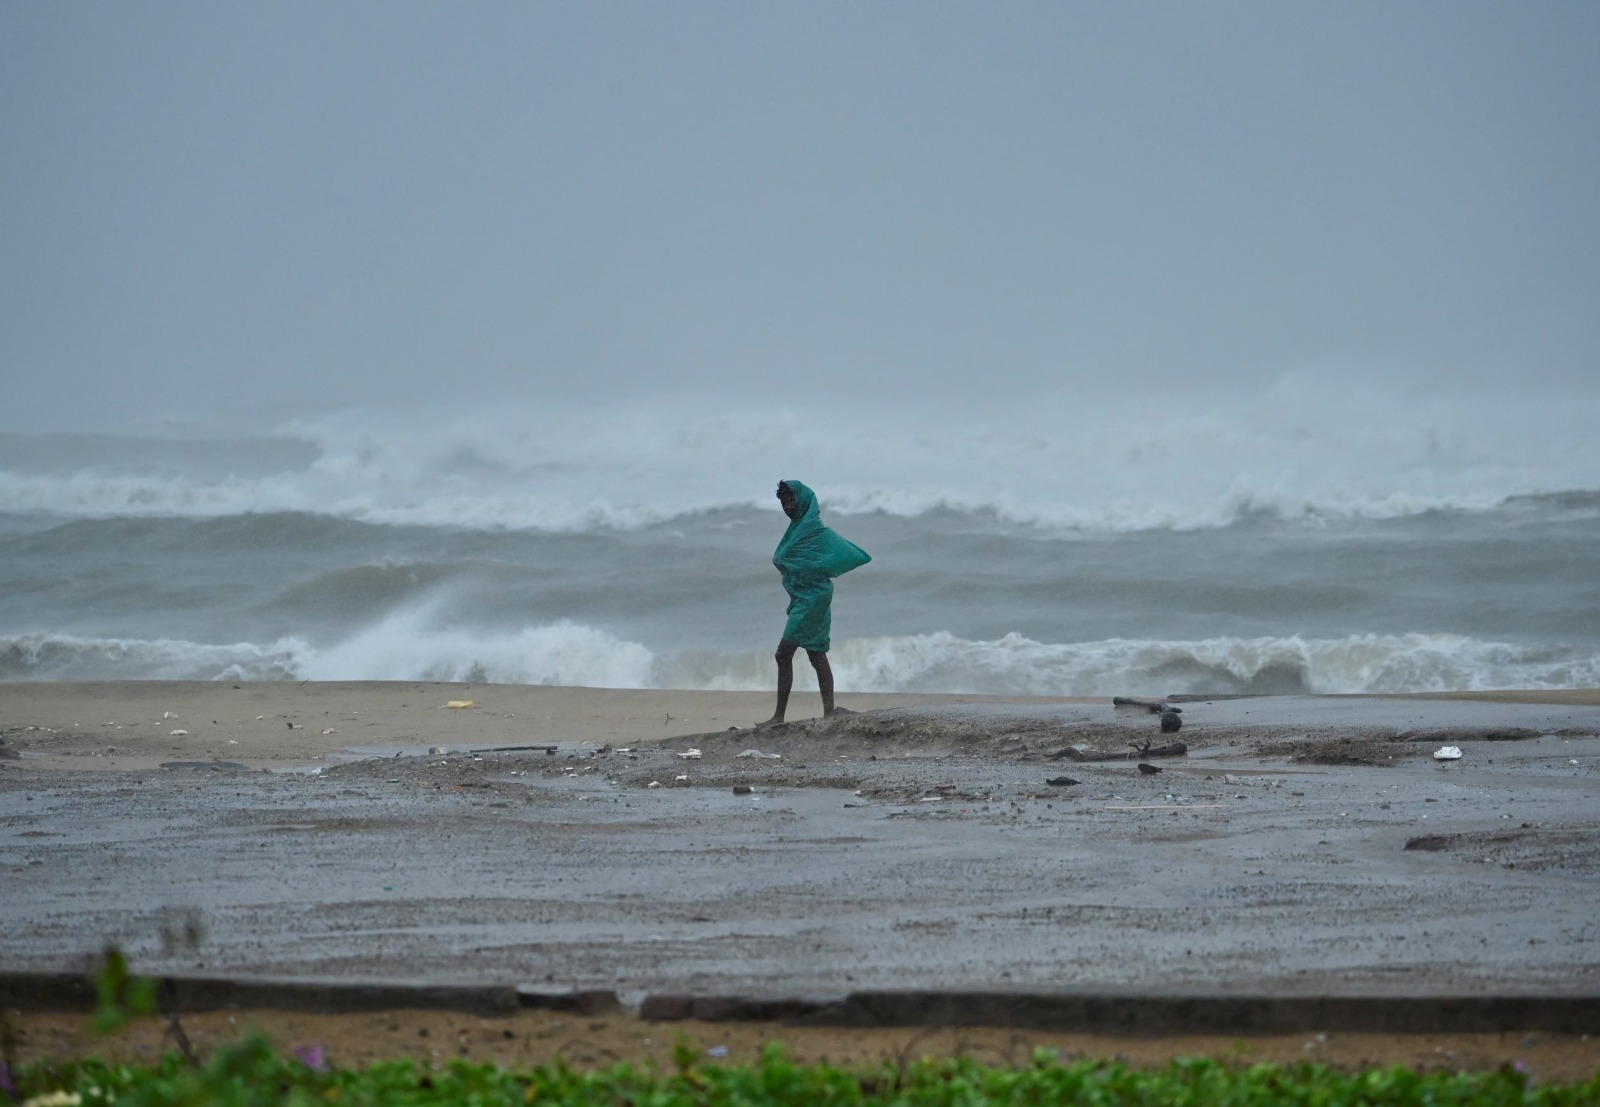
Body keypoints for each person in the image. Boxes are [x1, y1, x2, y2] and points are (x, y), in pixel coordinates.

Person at [759, 479, 871, 727]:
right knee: (816, 654)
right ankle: (828, 711)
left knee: (783, 654)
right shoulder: (796, 530)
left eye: (791, 501)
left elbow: (845, 555)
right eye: (783, 502)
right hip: (804, 599)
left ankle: (778, 717)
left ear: (803, 501)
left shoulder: (816, 532)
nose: (787, 506)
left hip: (813, 600)